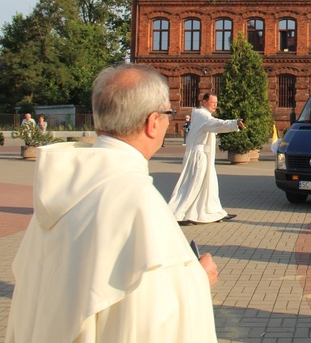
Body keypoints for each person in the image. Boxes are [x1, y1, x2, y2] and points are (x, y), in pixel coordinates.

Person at [6, 64, 218, 342]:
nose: (169, 122)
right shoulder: (138, 201)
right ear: (153, 123)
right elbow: (153, 319)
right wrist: (198, 281)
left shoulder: (61, 190)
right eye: (169, 114)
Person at [169, 93, 245, 224]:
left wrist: (233, 124)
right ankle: (179, 214)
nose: (215, 105)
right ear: (204, 101)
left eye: (216, 102)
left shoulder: (204, 115)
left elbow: (215, 125)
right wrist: (234, 123)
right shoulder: (201, 115)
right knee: (194, 184)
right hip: (199, 156)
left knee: (209, 184)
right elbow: (216, 124)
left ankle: (214, 212)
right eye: (213, 102)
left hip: (204, 155)